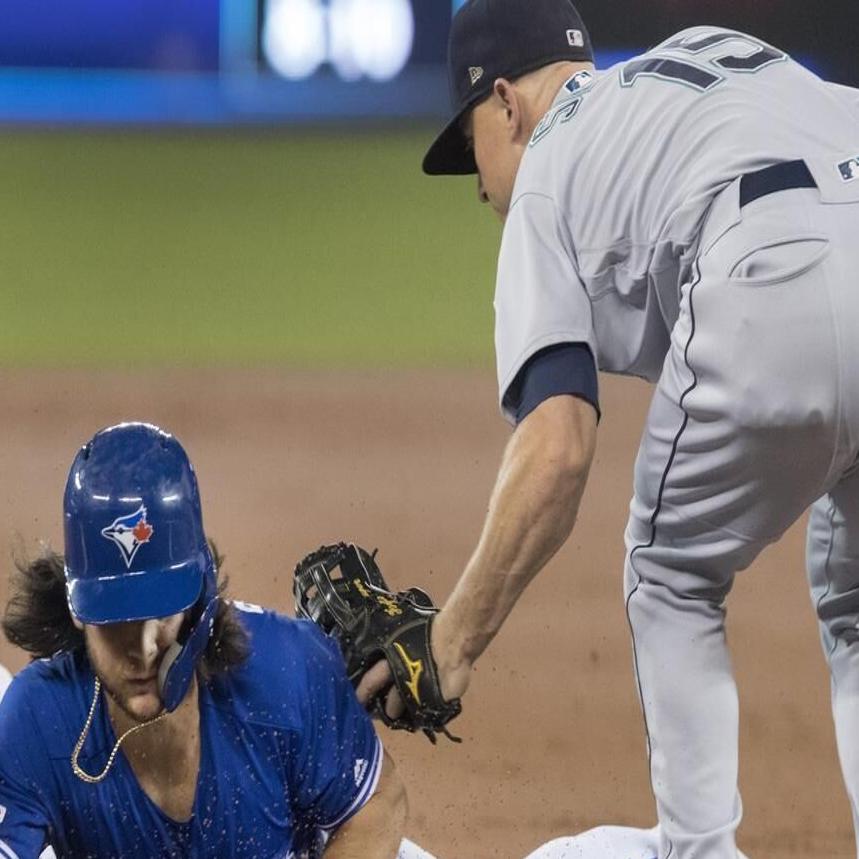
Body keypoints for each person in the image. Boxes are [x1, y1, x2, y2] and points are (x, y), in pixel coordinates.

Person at [360, 1, 859, 856]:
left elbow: (556, 448)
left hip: (767, 271)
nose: (478, 182)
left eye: (470, 143)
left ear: (508, 105)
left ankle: (698, 849)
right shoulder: (699, 75)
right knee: (852, 603)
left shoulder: (548, 171)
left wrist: (452, 641)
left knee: (668, 572)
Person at [0, 422, 411, 859]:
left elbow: (376, 806)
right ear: (78, 613)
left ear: (199, 598)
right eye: (115, 622)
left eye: (159, 615)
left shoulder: (284, 673)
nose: (141, 650)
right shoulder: (39, 721)